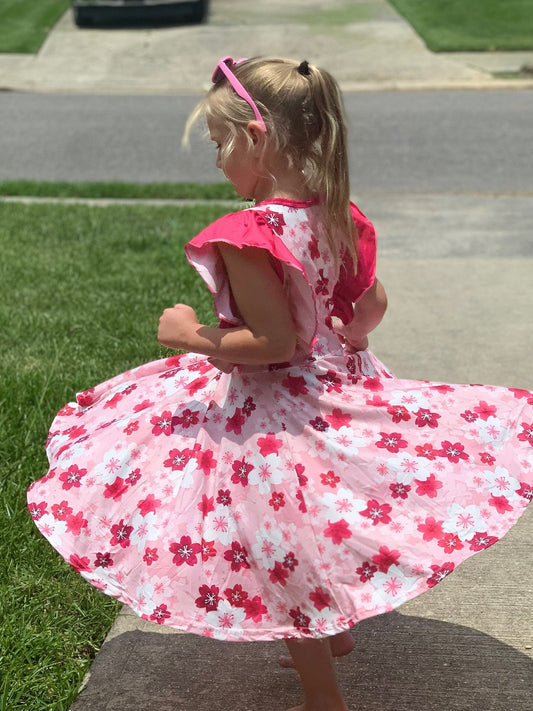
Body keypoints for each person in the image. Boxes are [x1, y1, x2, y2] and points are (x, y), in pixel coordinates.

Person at [28, 57, 533, 711]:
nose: (215, 162)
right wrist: (347, 344)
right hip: (337, 387)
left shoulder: (248, 234)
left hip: (278, 414)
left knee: (282, 551)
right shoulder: (333, 212)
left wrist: (189, 334)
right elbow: (371, 305)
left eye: (218, 144)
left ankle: (323, 697)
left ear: (255, 139)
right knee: (322, 522)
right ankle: (340, 632)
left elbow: (271, 344)